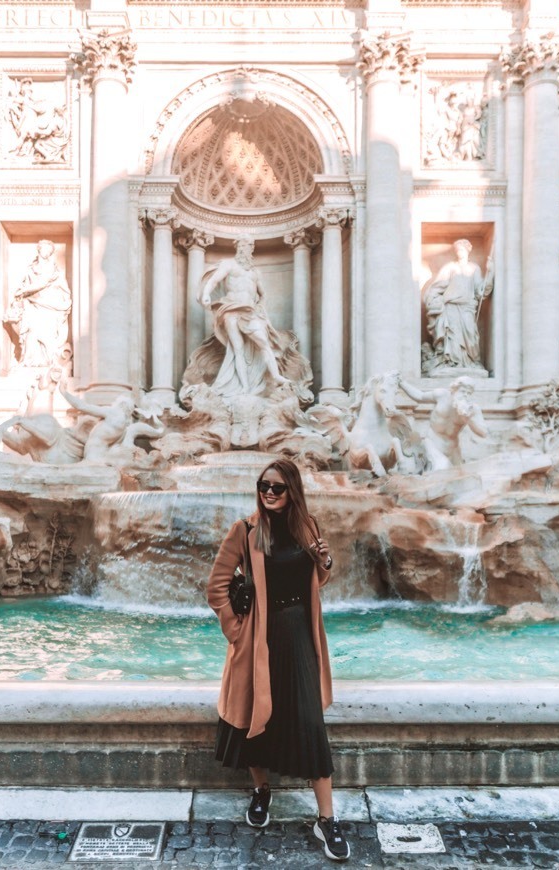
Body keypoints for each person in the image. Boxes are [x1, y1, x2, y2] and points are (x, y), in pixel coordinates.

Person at [207, 458, 350, 862]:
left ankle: (327, 820)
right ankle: (262, 790)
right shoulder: (246, 531)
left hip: (299, 635)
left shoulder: (309, 527)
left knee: (309, 722)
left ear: (293, 491)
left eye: (277, 487)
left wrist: (325, 562)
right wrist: (236, 631)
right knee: (255, 716)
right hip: (258, 639)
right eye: (263, 485)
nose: (269, 492)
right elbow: (216, 588)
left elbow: (316, 580)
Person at [198, 235, 290, 397]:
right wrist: (206, 294)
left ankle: (276, 376)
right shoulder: (229, 264)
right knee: (237, 348)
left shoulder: (255, 272)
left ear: (251, 250)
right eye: (242, 246)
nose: (245, 249)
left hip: (249, 312)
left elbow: (263, 294)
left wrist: (261, 307)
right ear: (237, 248)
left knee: (264, 343)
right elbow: (213, 281)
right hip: (231, 310)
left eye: (248, 246)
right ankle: (244, 387)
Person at [423, 239, 493, 371]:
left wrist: (490, 273)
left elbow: (481, 290)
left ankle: (471, 361)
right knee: (452, 336)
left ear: (467, 250)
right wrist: (432, 298)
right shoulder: (450, 267)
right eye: (458, 250)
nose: (459, 252)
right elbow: (439, 285)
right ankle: (451, 363)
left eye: (462, 250)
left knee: (470, 333)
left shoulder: (474, 268)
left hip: (467, 307)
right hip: (450, 306)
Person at [3, 240, 72, 367]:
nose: (47, 252)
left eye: (49, 250)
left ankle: (48, 360)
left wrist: (25, 290)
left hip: (49, 305)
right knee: (31, 331)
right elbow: (24, 284)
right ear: (39, 249)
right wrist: (22, 294)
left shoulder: (52, 268)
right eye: (44, 249)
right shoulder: (31, 268)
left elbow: (44, 283)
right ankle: (30, 361)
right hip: (32, 303)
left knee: (47, 332)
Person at [397, 375, 488, 470]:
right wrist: (402, 383)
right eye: (462, 391)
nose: (465, 395)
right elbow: (420, 396)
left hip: (453, 449)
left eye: (468, 393)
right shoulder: (442, 395)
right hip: (433, 443)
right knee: (441, 468)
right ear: (454, 390)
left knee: (460, 478)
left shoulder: (472, 409)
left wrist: (469, 418)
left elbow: (483, 433)